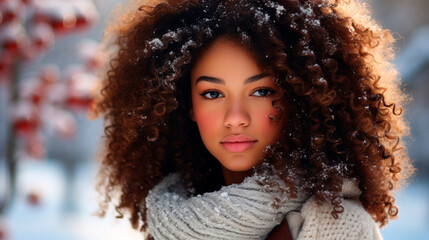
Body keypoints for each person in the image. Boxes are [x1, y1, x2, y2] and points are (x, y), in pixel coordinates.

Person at [96, 0, 413, 239]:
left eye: (261, 92)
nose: (235, 118)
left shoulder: (337, 227)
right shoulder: (171, 221)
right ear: (186, 104)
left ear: (300, 98)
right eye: (212, 94)